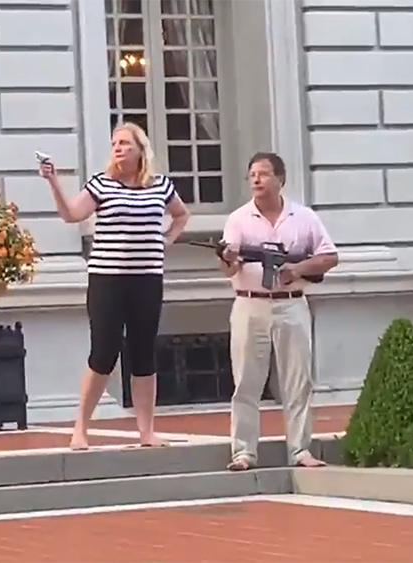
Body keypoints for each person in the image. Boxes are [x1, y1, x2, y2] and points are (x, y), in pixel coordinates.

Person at [40, 122, 190, 450]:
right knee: (104, 352)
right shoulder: (102, 184)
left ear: (140, 149)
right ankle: (81, 428)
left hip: (147, 279)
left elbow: (181, 215)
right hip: (107, 280)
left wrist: (167, 239)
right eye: (114, 143)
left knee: (143, 353)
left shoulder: (160, 186)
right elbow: (72, 214)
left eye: (124, 143)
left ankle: (147, 431)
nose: (118, 148)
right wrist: (54, 182)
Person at [219, 152, 339, 471]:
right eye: (252, 175)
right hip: (250, 303)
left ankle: (300, 450)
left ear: (280, 179)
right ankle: (243, 451)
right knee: (246, 381)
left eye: (263, 174)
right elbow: (228, 269)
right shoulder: (238, 219)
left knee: (298, 380)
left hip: (292, 302)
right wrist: (228, 258)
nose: (256, 180)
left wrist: (296, 269)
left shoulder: (304, 217)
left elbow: (329, 256)